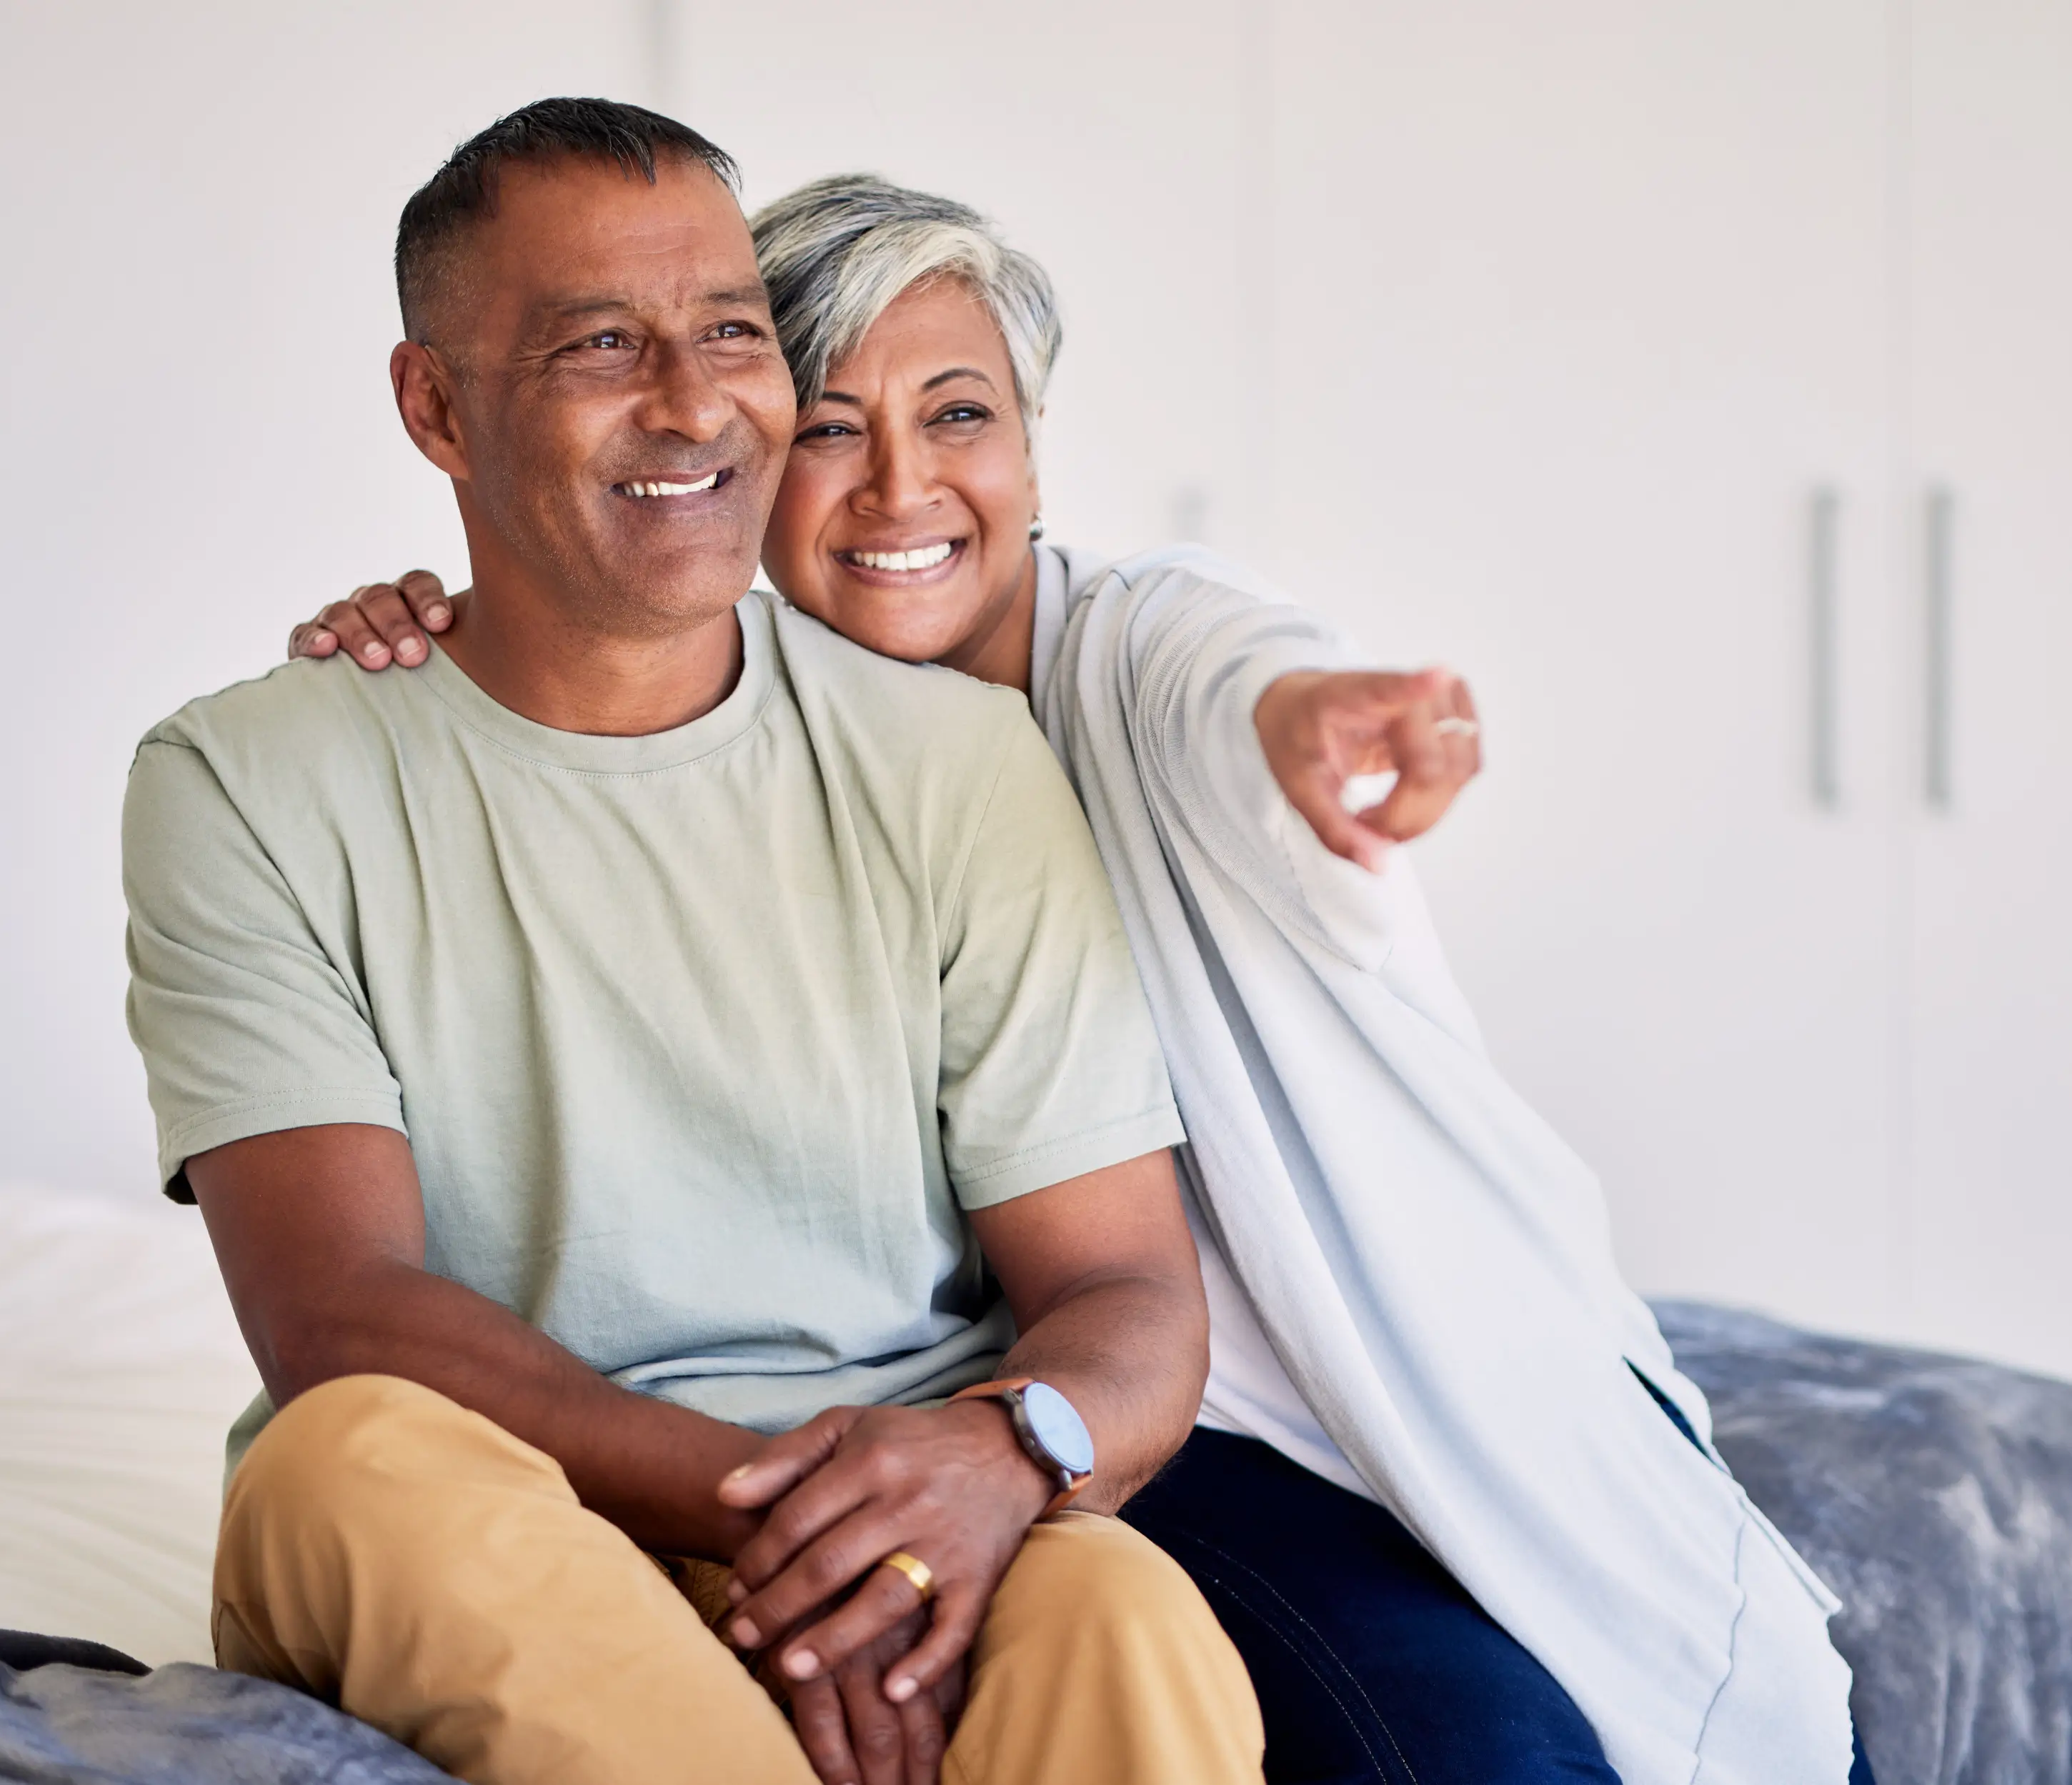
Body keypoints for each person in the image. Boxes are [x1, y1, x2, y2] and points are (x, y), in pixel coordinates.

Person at [299, 174, 1875, 1785]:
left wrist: (1310, 728)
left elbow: (1232, 686)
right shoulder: (756, 751)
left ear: (1034, 444)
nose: (900, 487)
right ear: (743, 462)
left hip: (1430, 1362)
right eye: (832, 430)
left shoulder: (1135, 653)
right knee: (1485, 1751)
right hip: (1160, 1425)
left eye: (959, 412)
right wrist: (441, 640)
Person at [123, 102, 1264, 1785]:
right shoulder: (242, 779)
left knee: (1125, 1616)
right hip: (496, 1498)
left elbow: (1122, 1288)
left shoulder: (958, 768)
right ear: (436, 406)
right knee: (345, 1454)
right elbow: (342, 1313)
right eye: (601, 341)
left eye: (731, 330)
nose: (690, 397)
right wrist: (796, 1522)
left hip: (899, 1495)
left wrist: (1004, 1451)